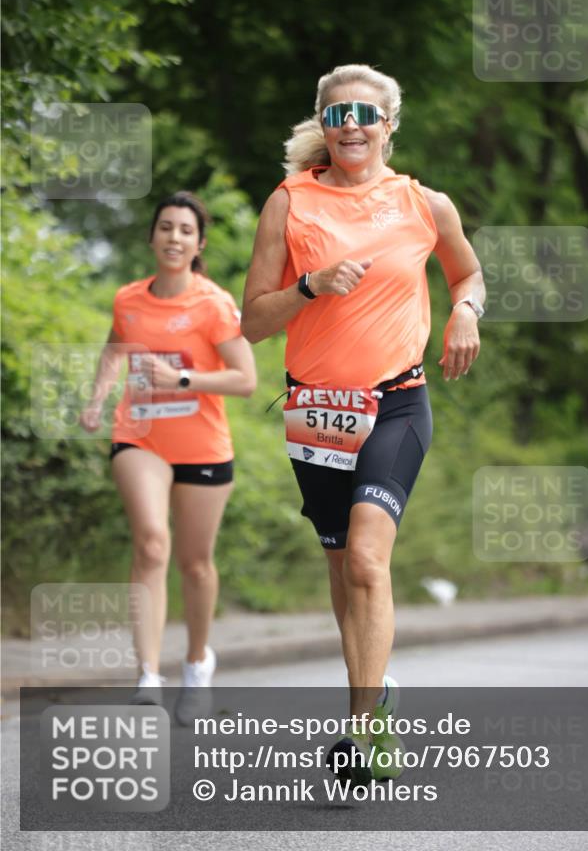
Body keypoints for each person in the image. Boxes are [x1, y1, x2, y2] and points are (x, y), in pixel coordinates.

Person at [241, 64, 484, 782]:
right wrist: (310, 287)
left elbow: (466, 274)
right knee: (343, 565)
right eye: (339, 112)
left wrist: (465, 310)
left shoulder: (423, 204)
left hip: (396, 402)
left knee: (369, 559)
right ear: (324, 123)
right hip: (317, 411)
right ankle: (373, 695)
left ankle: (362, 729)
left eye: (366, 114)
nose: (352, 124)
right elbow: (252, 321)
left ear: (388, 125)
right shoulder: (289, 203)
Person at [79, 191, 257, 721]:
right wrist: (96, 397)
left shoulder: (214, 303)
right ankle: (148, 675)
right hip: (142, 436)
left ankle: (198, 662)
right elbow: (116, 348)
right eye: (165, 228)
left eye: (185, 230)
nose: (174, 237)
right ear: (152, 236)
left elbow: (246, 380)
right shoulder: (128, 299)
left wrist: (182, 377)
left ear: (198, 244)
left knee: (195, 563)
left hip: (202, 445)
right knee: (152, 544)